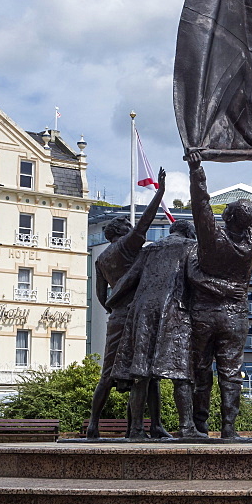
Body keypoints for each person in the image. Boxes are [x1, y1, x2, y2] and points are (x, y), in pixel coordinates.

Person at [186, 149, 252, 439]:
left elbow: (201, 204)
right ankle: (229, 427)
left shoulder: (212, 237)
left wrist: (197, 170)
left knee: (200, 371)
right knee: (231, 372)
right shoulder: (251, 240)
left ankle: (200, 425)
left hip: (203, 312)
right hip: (236, 314)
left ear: (226, 215)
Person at [85, 169, 168, 440]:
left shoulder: (101, 260)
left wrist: (113, 309)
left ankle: (93, 425)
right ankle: (153, 425)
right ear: (122, 232)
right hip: (138, 315)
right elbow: (145, 222)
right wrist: (160, 193)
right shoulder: (126, 246)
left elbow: (100, 295)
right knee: (148, 372)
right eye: (129, 229)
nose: (134, 231)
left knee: (107, 374)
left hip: (117, 317)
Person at [107, 220, 201, 441]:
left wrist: (111, 302)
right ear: (189, 233)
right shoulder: (190, 246)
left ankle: (137, 429)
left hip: (142, 312)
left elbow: (128, 279)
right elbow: (196, 279)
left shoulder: (150, 249)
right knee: (181, 373)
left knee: (140, 373)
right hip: (174, 310)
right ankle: (186, 427)